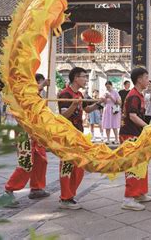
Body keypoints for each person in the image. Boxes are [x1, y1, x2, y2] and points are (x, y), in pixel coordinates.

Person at [3, 74, 51, 208]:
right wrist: (42, 85)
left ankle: (36, 188)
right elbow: (28, 96)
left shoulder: (37, 97)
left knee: (41, 160)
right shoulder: (23, 93)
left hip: (36, 133)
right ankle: (8, 191)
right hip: (24, 134)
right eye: (38, 83)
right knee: (26, 164)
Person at [58, 67, 102, 209]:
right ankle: (65, 198)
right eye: (83, 77)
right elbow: (63, 116)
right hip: (67, 136)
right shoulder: (64, 93)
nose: (85, 80)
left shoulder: (79, 94)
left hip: (78, 134)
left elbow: (86, 110)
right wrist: (73, 105)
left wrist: (99, 103)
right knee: (67, 166)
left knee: (79, 167)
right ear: (76, 78)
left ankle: (70, 195)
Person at [119, 67, 151, 211]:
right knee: (133, 165)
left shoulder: (140, 95)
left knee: (141, 164)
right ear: (139, 79)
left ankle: (139, 193)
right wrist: (148, 127)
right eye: (146, 77)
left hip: (137, 134)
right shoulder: (133, 96)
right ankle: (128, 198)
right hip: (129, 134)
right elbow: (132, 116)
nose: (148, 80)